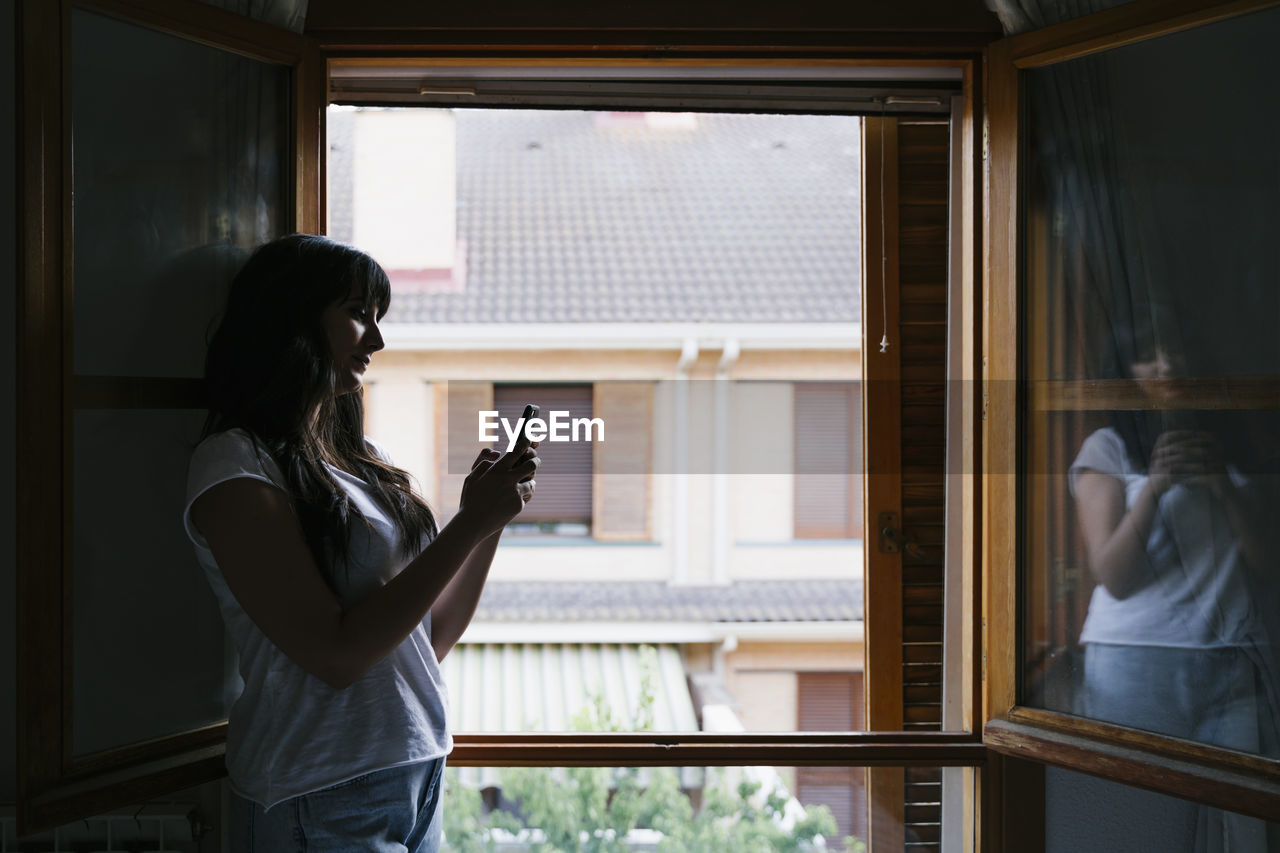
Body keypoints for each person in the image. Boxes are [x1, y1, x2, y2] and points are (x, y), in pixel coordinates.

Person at [182, 234, 539, 852]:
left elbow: (428, 640)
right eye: (358, 314)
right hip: (317, 792)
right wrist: (467, 525)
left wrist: (488, 527)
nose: (377, 340)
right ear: (292, 315)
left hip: (417, 775)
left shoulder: (361, 460)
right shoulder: (235, 466)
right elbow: (337, 655)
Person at [1071, 332, 1278, 850]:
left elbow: (1267, 567)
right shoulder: (1108, 446)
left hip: (1233, 657)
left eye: (1180, 350)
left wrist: (1223, 487)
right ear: (1126, 372)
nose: (1168, 364)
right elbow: (1114, 576)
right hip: (1133, 661)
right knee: (1139, 825)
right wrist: (1157, 485)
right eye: (1148, 355)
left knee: (1249, 827)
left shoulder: (1240, 442)